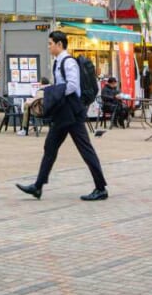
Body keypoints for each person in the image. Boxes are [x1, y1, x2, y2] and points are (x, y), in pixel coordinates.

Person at [16, 30, 108, 201]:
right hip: (63, 113)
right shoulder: (59, 62)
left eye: (50, 43)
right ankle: (38, 186)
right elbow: (63, 86)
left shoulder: (68, 62)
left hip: (72, 113)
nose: (49, 47)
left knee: (85, 149)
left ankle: (101, 188)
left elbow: (72, 86)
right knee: (50, 147)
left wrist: (51, 91)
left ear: (59, 44)